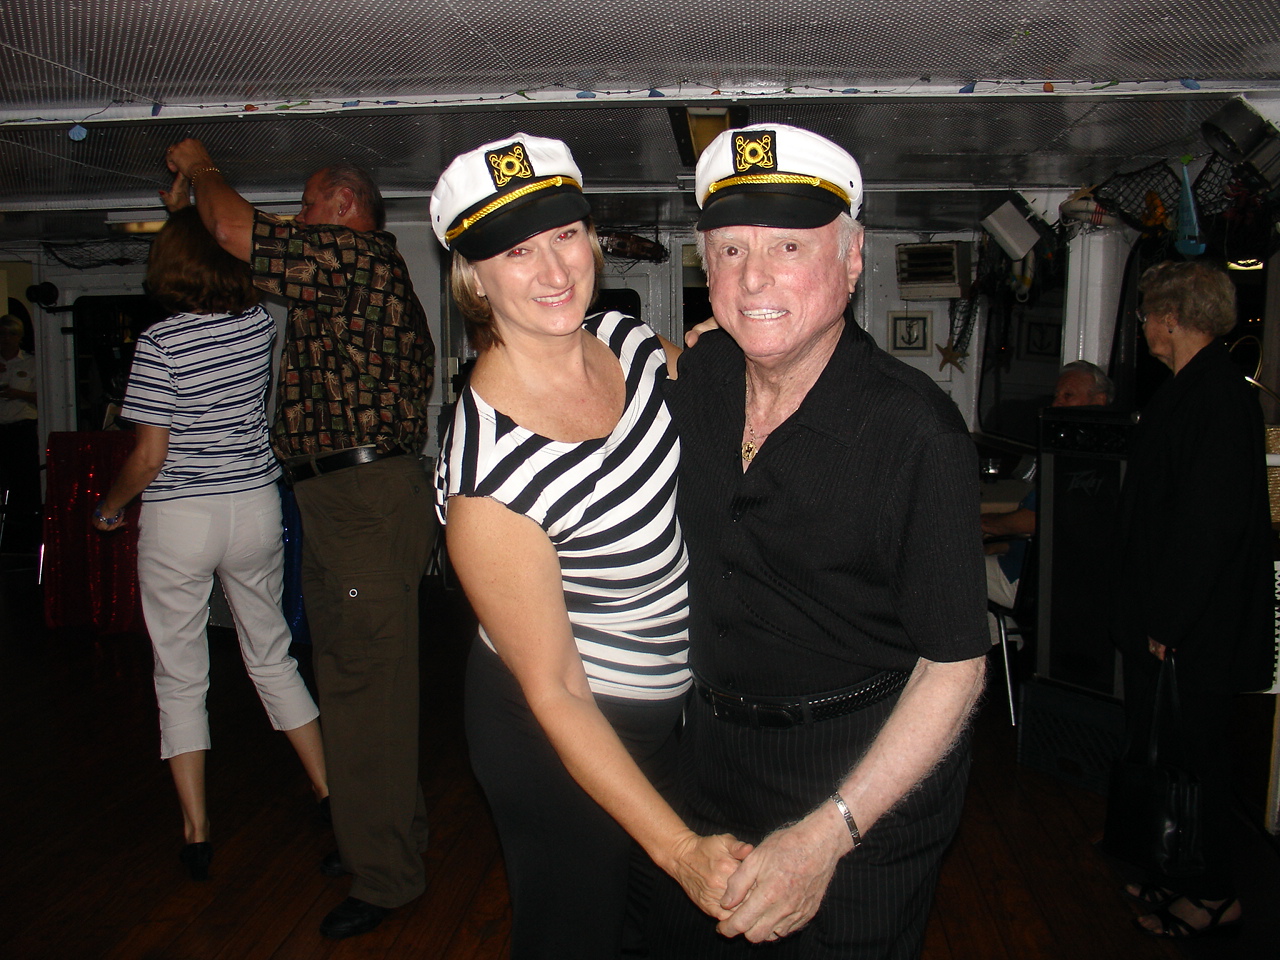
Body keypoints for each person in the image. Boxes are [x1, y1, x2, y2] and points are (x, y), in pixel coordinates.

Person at [652, 123, 990, 959]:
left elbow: (955, 667)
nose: (753, 277)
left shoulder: (917, 434)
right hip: (710, 762)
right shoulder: (701, 381)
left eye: (790, 246)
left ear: (853, 258)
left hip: (862, 776)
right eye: (731, 250)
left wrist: (829, 833)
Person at [430, 133, 749, 959]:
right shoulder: (488, 473)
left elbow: (718, 406)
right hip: (551, 731)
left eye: (565, 234)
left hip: (661, 714)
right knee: (576, 935)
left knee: (674, 930)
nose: (552, 270)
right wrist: (678, 851)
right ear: (473, 277)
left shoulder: (627, 343)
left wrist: (733, 349)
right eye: (515, 251)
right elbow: (559, 689)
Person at [163, 139, 437, 939]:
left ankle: (387, 877)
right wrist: (188, 213)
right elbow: (222, 248)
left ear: (344, 206)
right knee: (357, 682)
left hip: (360, 498)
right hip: (341, 497)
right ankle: (379, 841)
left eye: (309, 204)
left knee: (365, 689)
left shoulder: (354, 260)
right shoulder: (345, 280)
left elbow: (236, 230)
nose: (297, 218)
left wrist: (203, 167)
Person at [91, 202, 327, 882]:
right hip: (253, 506)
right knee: (271, 656)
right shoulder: (257, 326)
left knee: (181, 671)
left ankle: (197, 833)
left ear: (170, 265)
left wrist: (108, 508)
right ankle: (328, 788)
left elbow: (149, 458)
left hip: (181, 518)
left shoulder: (160, 345)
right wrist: (196, 208)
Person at [1112, 260, 1274, 938]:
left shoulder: (1218, 398)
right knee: (1169, 753)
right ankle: (1171, 866)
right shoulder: (1194, 389)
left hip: (1195, 627)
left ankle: (1212, 893)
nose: (1144, 326)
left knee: (1197, 760)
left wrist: (1168, 622)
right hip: (1178, 619)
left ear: (1172, 318)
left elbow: (1207, 526)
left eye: (1148, 314)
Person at [981, 359, 1114, 614]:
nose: (1056, 404)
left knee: (939, 565)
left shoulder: (1085, 463)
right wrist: (996, 543)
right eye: (1056, 396)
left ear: (1098, 402)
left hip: (1036, 581)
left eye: (1068, 396)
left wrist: (983, 524)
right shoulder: (1069, 452)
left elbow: (1038, 522)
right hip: (1030, 567)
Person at [0, 313, 40, 551]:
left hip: (21, 431)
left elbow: (44, 396)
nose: (6, 338)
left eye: (11, 334)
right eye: (2, 334)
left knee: (24, 485)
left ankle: (24, 539)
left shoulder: (31, 363)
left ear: (20, 337)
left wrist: (18, 394)